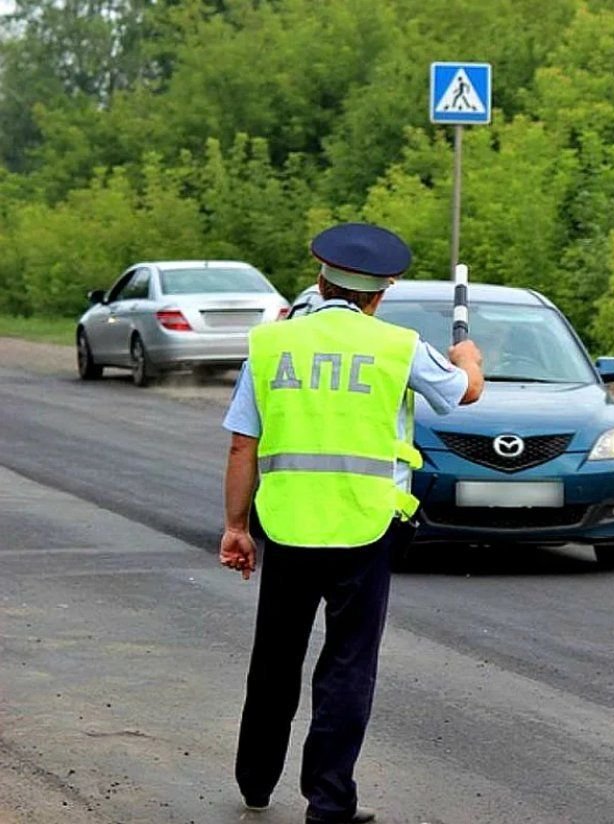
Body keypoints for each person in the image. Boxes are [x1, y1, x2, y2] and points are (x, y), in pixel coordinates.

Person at [218, 222, 484, 824]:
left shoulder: (271, 344)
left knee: (275, 658)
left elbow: (242, 446)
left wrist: (237, 526)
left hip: (285, 526)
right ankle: (328, 802)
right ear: (380, 293)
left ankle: (256, 782)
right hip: (366, 530)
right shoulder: (398, 345)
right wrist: (468, 358)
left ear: (320, 279)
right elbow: (464, 393)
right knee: (347, 666)